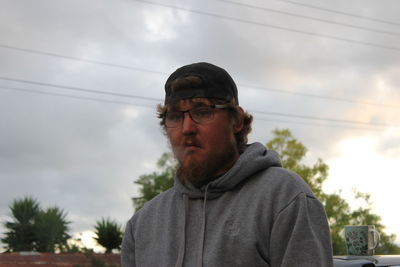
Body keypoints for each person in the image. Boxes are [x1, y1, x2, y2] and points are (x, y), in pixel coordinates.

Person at [121, 62, 333, 267]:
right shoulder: (142, 225)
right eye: (175, 116)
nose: (187, 128)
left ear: (237, 121)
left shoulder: (285, 199)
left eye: (203, 111)